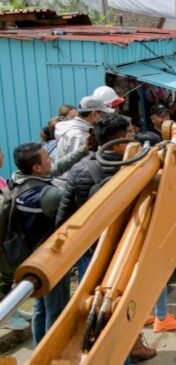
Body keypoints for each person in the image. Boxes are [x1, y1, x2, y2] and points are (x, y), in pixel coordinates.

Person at [55, 114, 158, 361]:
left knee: (95, 310)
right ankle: (122, 355)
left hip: (90, 253)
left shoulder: (80, 170)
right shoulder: (141, 168)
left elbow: (64, 219)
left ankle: (127, 350)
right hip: (131, 251)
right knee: (125, 308)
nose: (136, 137)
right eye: (132, 134)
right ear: (121, 141)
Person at [11, 138, 88, 345]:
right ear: (36, 167)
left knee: (40, 308)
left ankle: (39, 349)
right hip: (50, 260)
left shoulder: (20, 180)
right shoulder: (47, 196)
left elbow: (55, 169)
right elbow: (76, 195)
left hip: (32, 258)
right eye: (47, 157)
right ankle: (53, 350)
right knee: (57, 309)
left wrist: (84, 150)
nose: (51, 159)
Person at [54, 96, 111, 161]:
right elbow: (79, 167)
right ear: (94, 114)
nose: (103, 118)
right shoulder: (78, 136)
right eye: (102, 114)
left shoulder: (70, 127)